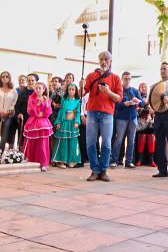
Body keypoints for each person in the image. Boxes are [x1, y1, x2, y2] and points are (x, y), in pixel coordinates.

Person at [83, 51, 122, 182]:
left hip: (107, 114)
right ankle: (95, 170)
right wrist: (81, 87)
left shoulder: (115, 78)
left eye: (106, 59)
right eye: (101, 59)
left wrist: (108, 91)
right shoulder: (91, 76)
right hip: (92, 113)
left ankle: (103, 170)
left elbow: (118, 98)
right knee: (90, 143)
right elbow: (82, 93)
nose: (104, 61)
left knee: (106, 143)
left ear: (110, 62)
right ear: (98, 61)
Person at [111, 71, 140, 168]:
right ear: (122, 79)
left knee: (131, 141)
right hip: (121, 118)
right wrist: (124, 104)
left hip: (133, 118)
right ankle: (114, 160)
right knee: (118, 140)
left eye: (129, 79)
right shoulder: (119, 91)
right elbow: (115, 105)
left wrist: (137, 101)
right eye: (125, 78)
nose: (127, 80)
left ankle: (129, 161)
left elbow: (143, 103)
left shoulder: (135, 91)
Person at [23, 81, 53, 170]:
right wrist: (37, 105)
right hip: (33, 122)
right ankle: (30, 161)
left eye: (40, 88)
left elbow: (48, 113)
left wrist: (47, 105)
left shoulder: (47, 99)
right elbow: (29, 111)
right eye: (36, 88)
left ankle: (43, 163)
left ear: (44, 89)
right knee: (32, 142)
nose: (38, 90)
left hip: (43, 123)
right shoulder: (31, 99)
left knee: (43, 144)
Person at [51, 83, 81, 167]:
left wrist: (77, 122)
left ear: (75, 91)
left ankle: (71, 160)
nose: (71, 91)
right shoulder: (64, 100)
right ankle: (61, 161)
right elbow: (61, 112)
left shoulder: (78, 101)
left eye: (73, 89)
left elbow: (78, 113)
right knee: (62, 142)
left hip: (72, 124)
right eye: (69, 89)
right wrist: (58, 122)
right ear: (67, 91)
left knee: (73, 142)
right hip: (64, 123)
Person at [134, 81, 155, 167]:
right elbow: (137, 109)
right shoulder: (137, 98)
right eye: (142, 86)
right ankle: (139, 159)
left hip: (151, 122)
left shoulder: (152, 97)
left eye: (145, 86)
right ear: (139, 88)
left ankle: (151, 160)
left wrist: (152, 112)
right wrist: (147, 110)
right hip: (141, 122)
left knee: (151, 139)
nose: (144, 88)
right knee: (141, 139)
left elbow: (155, 108)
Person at [13, 74, 31, 151]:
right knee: (22, 135)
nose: (30, 82)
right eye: (29, 80)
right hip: (24, 116)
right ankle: (21, 151)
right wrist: (19, 113)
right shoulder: (23, 91)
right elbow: (17, 105)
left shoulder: (38, 90)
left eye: (32, 80)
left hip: (34, 118)